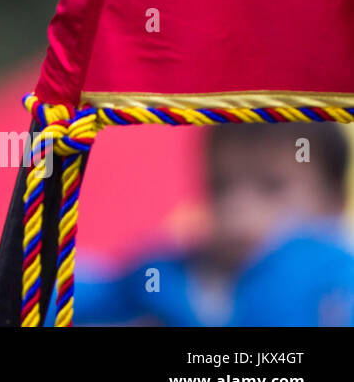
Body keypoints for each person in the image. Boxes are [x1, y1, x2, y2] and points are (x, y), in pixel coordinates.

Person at [76, 122, 354, 326]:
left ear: (332, 202)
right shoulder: (168, 272)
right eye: (220, 186)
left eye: (272, 187)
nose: (237, 205)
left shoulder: (337, 276)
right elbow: (79, 295)